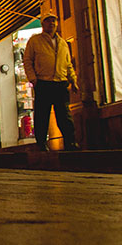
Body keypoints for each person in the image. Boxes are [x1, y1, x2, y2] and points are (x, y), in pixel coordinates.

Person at [22, 14, 79, 151]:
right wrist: (33, 79)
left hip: (60, 83)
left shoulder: (62, 43)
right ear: (43, 24)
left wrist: (73, 80)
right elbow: (28, 60)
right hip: (43, 83)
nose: (51, 23)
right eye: (48, 21)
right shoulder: (35, 41)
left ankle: (70, 142)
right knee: (42, 115)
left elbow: (68, 64)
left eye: (54, 21)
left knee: (64, 115)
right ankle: (41, 143)